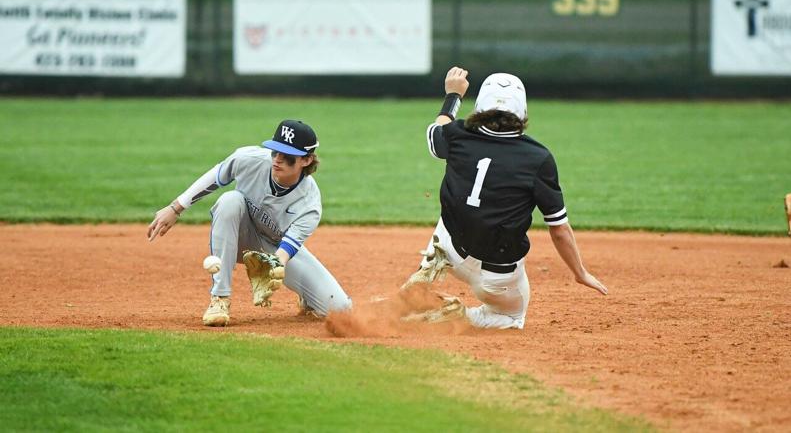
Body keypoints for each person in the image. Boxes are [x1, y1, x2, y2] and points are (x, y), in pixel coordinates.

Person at [402, 66, 608, 329]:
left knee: (456, 205)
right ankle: (457, 314)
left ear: (479, 107)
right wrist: (580, 273)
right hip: (496, 278)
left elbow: (435, 133)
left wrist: (453, 96)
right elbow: (558, 228)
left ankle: (429, 267)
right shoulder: (538, 157)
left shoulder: (458, 133)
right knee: (511, 318)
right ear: (522, 112)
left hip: (451, 253)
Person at [147, 119, 352, 326]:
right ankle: (220, 298)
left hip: (275, 248)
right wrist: (175, 208)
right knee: (230, 200)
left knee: (341, 310)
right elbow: (215, 177)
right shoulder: (250, 159)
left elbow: (288, 248)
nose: (277, 160)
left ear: (306, 160)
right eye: (275, 151)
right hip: (237, 236)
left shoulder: (309, 202)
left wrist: (273, 265)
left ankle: (307, 295)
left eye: (287, 155)